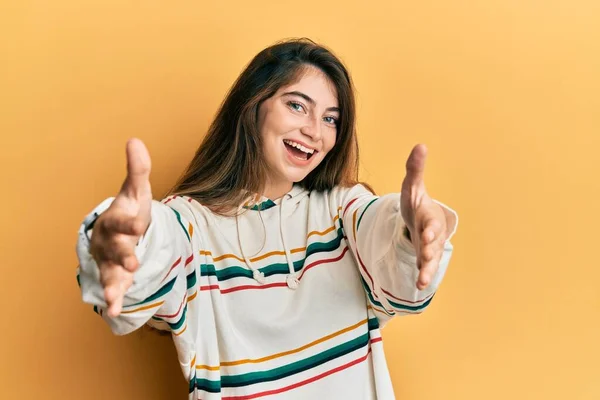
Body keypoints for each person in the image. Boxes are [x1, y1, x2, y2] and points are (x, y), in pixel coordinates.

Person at [76, 38, 458, 399]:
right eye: (297, 106)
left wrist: (415, 228)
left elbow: (391, 252)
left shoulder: (342, 211)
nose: (313, 131)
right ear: (253, 106)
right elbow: (157, 248)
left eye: (330, 119)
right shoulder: (191, 223)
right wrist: (125, 242)